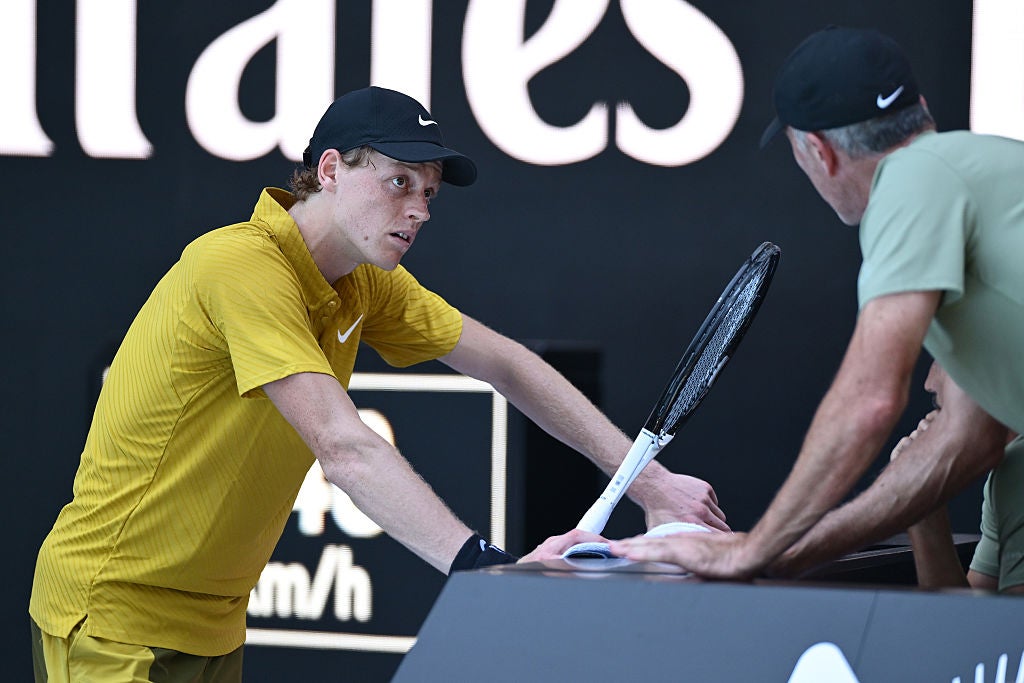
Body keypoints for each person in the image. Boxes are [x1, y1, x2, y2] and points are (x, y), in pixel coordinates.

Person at [29, 86, 728, 681]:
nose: (420, 209)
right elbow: (344, 447)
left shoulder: (365, 284)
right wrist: (485, 569)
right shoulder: (238, 265)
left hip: (213, 624)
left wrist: (652, 482)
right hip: (111, 616)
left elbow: (508, 364)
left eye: (428, 193)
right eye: (400, 182)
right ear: (330, 169)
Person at [610, 26, 1024, 580]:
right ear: (920, 108)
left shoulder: (912, 176)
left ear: (818, 151)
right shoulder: (987, 173)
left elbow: (869, 402)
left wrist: (750, 552)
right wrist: (777, 553)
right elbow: (967, 443)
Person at [889, 362, 1023, 594]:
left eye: (946, 357)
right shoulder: (1008, 470)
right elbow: (970, 608)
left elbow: (967, 627)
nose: (928, 382)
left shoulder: (1020, 465)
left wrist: (920, 504)